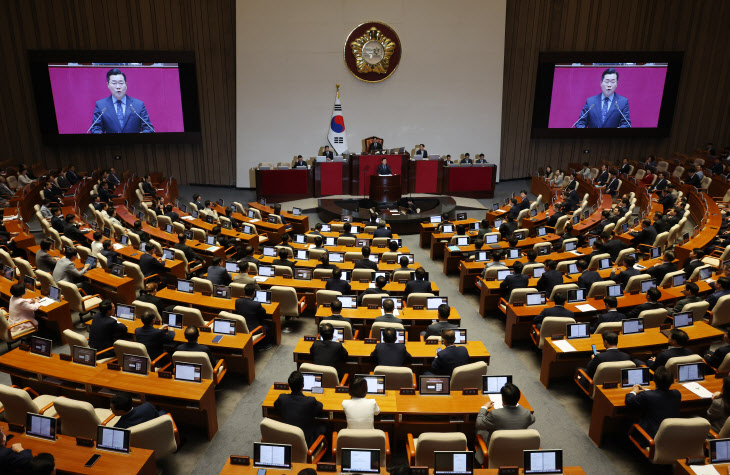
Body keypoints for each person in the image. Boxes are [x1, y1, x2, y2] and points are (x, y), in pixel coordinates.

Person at [91, 68, 154, 133]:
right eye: (114, 83)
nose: (118, 86)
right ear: (108, 85)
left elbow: (148, 128)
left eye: (121, 83)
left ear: (126, 85)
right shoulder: (101, 105)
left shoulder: (138, 105)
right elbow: (96, 128)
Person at [625, 366, 680, 438]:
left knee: (626, 421)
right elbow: (660, 394)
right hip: (672, 434)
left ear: (654, 380)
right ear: (672, 381)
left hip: (651, 437)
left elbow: (629, 401)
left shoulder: (646, 396)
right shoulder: (677, 393)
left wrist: (634, 391)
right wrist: (647, 390)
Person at [274, 371, 325, 445]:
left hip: (287, 440)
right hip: (306, 443)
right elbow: (320, 406)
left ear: (289, 385)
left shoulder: (282, 398)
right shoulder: (310, 401)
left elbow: (276, 405)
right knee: (324, 427)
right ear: (303, 385)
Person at [235, 283, 273, 349]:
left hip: (241, 327)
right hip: (252, 329)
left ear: (244, 292)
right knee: (266, 326)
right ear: (254, 293)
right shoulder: (256, 304)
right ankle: (265, 345)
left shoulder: (238, 301)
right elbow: (263, 313)